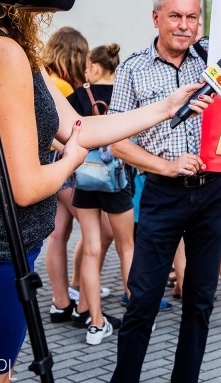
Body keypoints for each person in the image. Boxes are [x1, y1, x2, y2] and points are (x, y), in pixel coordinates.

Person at [0, 0, 213, 383]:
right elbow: (26, 186)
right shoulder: (5, 53)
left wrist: (167, 106)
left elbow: (79, 124)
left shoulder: (4, 47)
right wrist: (73, 160)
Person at [109, 0, 221, 383]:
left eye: (193, 16)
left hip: (213, 192)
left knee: (199, 302)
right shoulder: (133, 68)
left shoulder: (214, 59)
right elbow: (116, 142)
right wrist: (165, 166)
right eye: (176, 16)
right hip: (162, 195)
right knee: (142, 300)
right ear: (156, 18)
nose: (185, 26)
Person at [67, 43, 134, 345]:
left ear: (94, 67)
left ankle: (96, 322)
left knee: (91, 250)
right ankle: (136, 317)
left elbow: (58, 131)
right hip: (116, 179)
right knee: (127, 248)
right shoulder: (123, 95)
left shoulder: (78, 97)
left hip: (84, 179)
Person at [42, 26, 89, 325]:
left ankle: (60, 302)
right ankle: (87, 305)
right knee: (99, 231)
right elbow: (73, 129)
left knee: (58, 234)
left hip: (48, 165)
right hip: (64, 166)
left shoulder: (44, 80)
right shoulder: (63, 87)